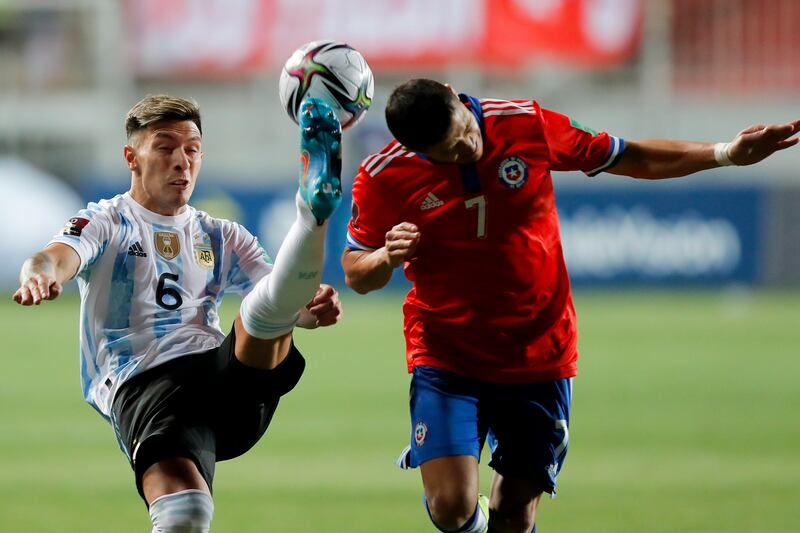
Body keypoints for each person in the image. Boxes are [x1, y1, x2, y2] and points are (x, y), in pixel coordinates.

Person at [341, 78, 799, 533]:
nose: (470, 148)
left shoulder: (525, 122)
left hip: (539, 350)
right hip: (447, 355)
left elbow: (629, 156)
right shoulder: (383, 176)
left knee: (516, 512)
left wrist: (726, 153)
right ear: (416, 150)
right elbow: (356, 273)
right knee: (451, 506)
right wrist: (385, 256)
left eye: (466, 131)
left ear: (456, 97)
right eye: (452, 150)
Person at [13, 94, 344, 532]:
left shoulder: (221, 234)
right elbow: (54, 256)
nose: (181, 162)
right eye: (165, 148)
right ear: (132, 157)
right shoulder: (107, 221)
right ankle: (311, 217)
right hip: (145, 383)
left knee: (264, 307)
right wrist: (39, 274)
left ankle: (312, 211)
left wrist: (311, 304)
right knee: (185, 515)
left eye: (191, 150)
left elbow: (294, 305)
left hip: (224, 379)